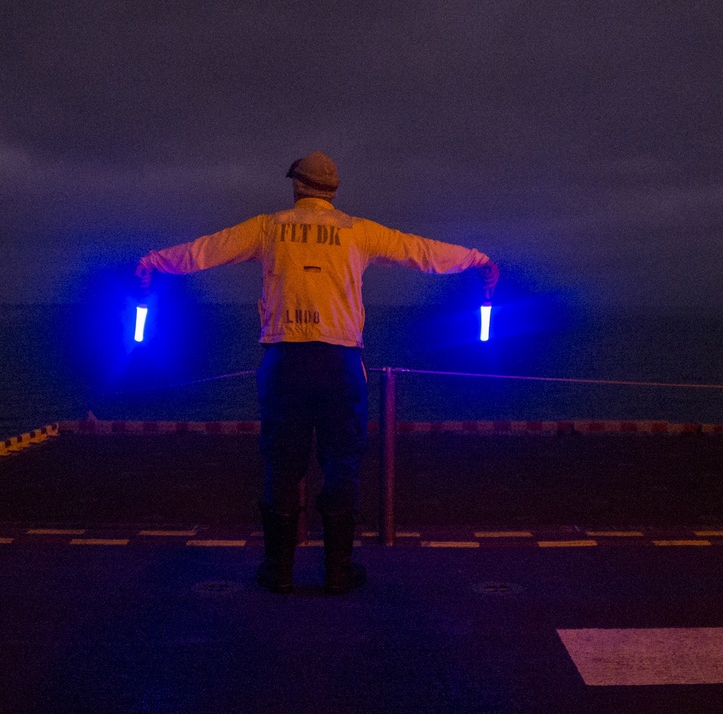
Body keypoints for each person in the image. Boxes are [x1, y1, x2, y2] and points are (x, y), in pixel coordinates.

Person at [136, 152, 499, 594]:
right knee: (341, 464)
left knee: (282, 467)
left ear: (296, 186)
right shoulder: (358, 232)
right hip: (340, 362)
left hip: (284, 359)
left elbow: (207, 250)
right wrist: (477, 259)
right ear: (334, 189)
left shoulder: (268, 228)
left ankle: (279, 572)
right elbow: (418, 251)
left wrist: (155, 261)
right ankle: (338, 572)